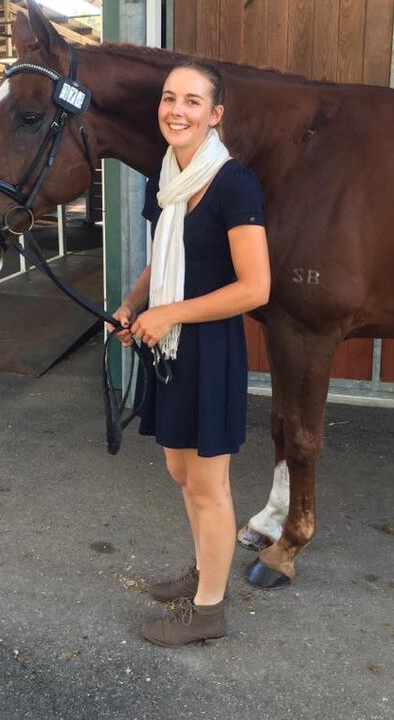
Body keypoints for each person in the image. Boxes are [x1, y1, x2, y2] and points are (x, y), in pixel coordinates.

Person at [110, 60, 270, 647]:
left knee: (208, 484)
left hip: (207, 346)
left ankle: (208, 611)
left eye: (193, 101)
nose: (177, 110)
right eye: (170, 98)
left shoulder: (233, 183)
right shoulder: (168, 176)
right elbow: (161, 259)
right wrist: (132, 306)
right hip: (168, 343)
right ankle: (206, 567)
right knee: (181, 471)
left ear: (215, 114)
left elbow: (255, 288)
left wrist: (168, 313)